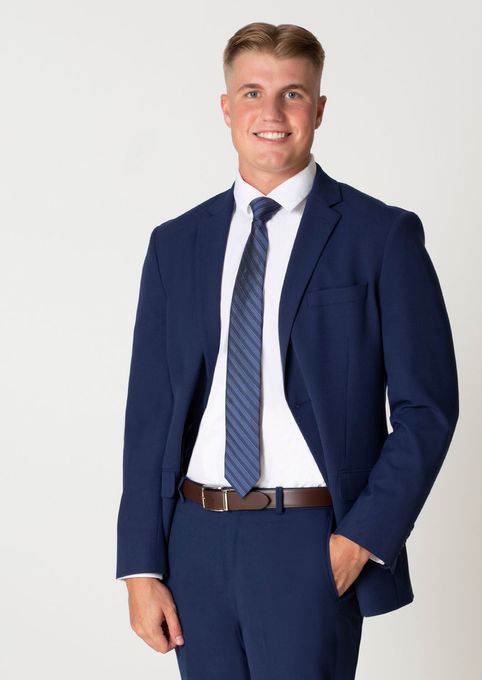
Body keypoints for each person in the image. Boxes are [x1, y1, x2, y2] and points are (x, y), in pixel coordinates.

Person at [115, 21, 459, 680]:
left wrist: (361, 538)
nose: (270, 113)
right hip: (194, 539)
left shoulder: (381, 238)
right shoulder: (175, 245)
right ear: (225, 108)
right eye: (252, 92)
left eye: (293, 94)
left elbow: (429, 408)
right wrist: (141, 564)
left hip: (306, 539)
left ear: (320, 109)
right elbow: (150, 415)